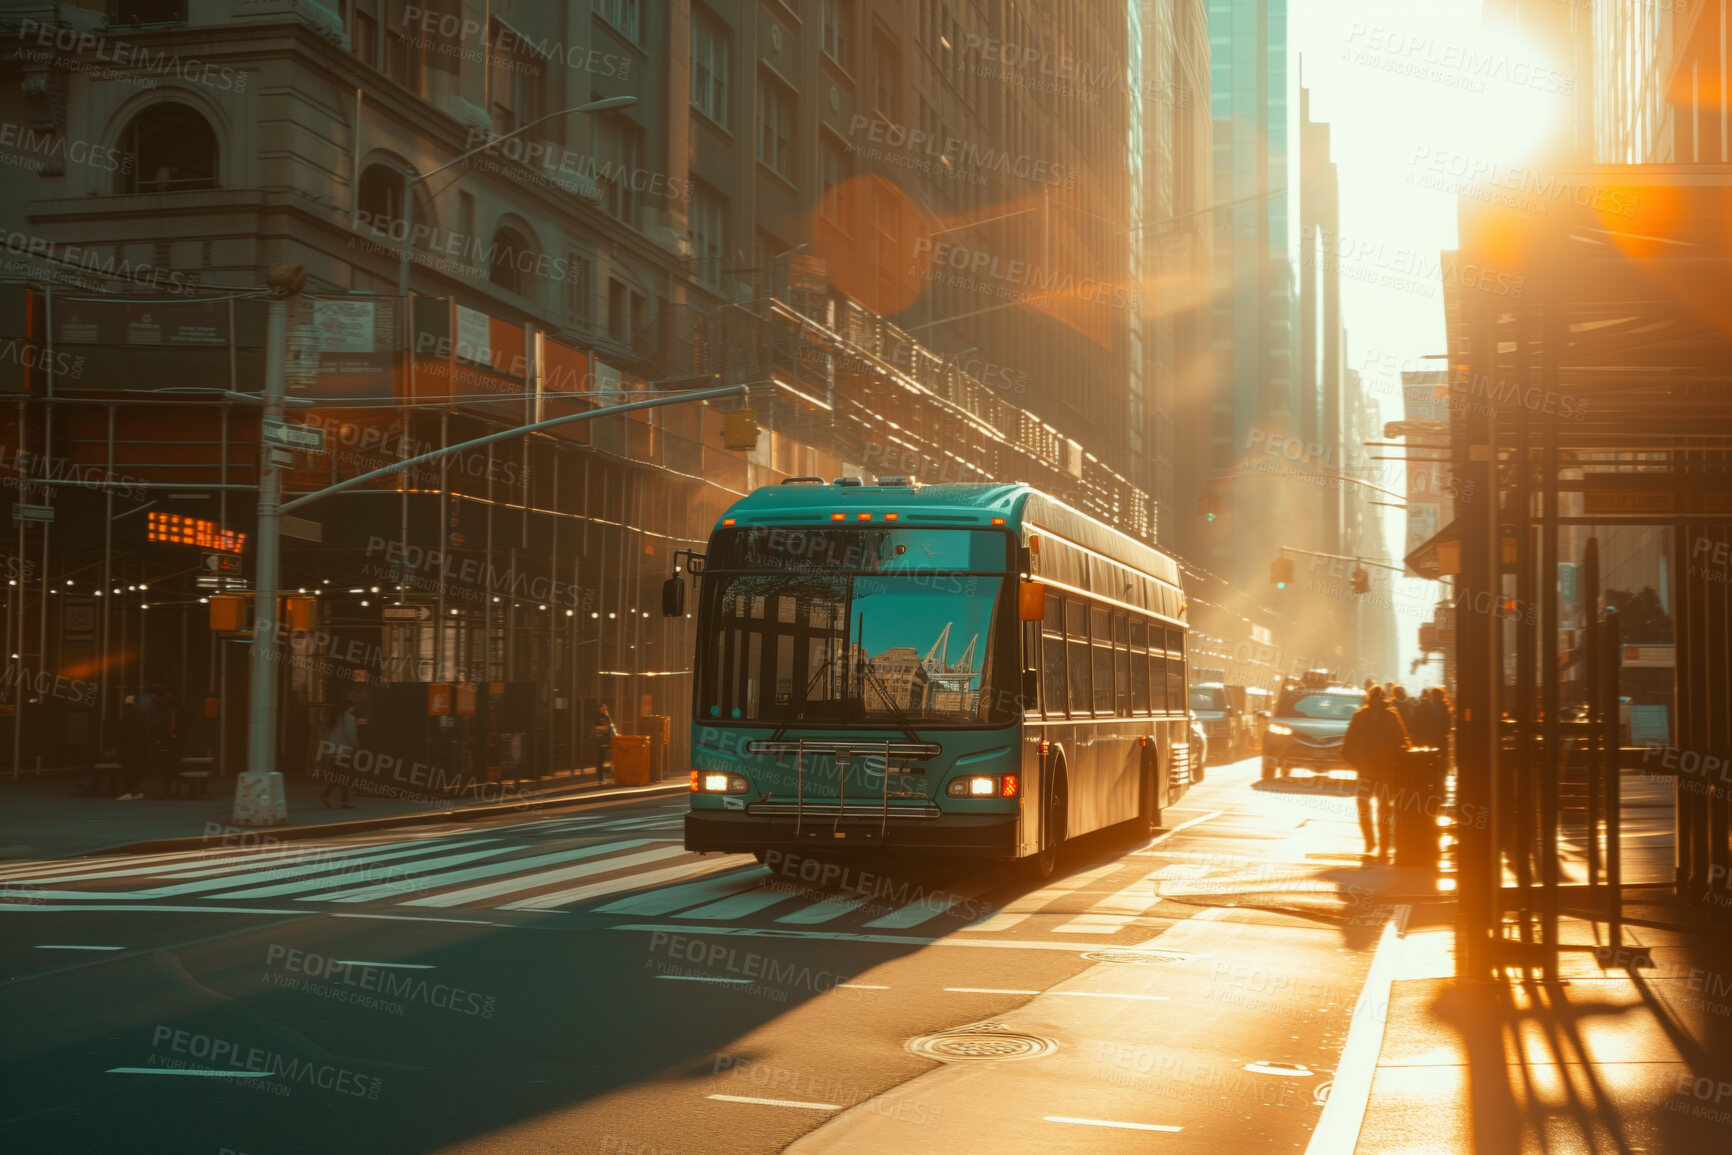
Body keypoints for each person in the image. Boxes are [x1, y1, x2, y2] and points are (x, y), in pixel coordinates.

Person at [1342, 685, 1411, 862]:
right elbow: (1403, 743)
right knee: (1383, 809)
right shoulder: (1391, 717)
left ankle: (1371, 843)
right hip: (1386, 771)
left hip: (1369, 770)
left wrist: (1358, 762)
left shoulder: (1360, 716)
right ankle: (1382, 847)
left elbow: (1347, 746)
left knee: (1365, 805)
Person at [318, 701, 360, 809]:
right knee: (345, 778)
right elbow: (350, 735)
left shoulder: (333, 719)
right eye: (352, 707)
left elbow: (327, 736)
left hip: (333, 752)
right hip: (344, 752)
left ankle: (325, 794)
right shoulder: (347, 718)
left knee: (337, 777)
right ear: (349, 708)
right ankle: (343, 802)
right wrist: (355, 746)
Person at [116, 695, 148, 801]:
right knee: (136, 770)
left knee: (127, 769)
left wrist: (118, 744)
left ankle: (128, 791)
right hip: (138, 747)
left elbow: (123, 732)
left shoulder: (128, 715)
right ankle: (136, 791)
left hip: (128, 747)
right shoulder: (141, 715)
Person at [591, 704, 617, 781]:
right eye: (602, 708)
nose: (604, 710)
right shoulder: (602, 717)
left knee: (601, 758)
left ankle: (602, 775)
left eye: (605, 708)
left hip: (601, 741)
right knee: (601, 759)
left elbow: (610, 728)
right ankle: (602, 775)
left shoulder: (605, 717)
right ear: (600, 709)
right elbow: (610, 728)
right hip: (601, 741)